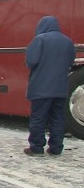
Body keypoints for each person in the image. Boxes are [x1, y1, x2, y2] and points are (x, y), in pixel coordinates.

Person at [24, 16, 75, 156]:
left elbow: (31, 61)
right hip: (60, 87)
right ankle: (56, 147)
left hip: (41, 87)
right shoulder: (67, 41)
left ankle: (36, 147)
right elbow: (70, 61)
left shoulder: (39, 40)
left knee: (38, 117)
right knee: (57, 117)